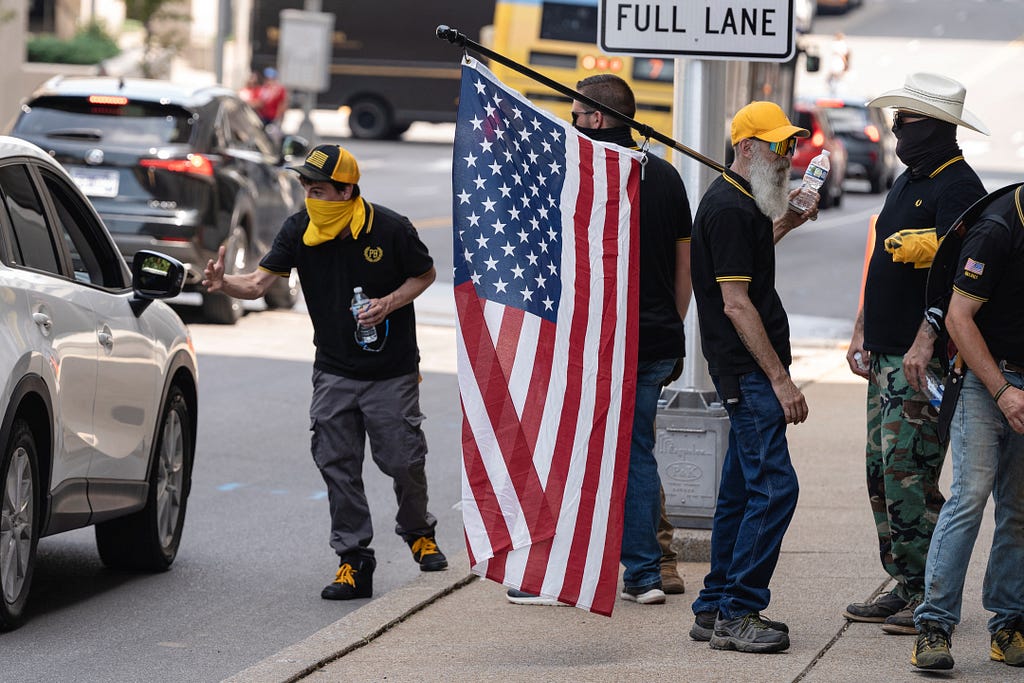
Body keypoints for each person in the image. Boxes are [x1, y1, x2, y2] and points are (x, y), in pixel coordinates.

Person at [202, 144, 448, 600]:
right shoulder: (299, 230)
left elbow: (426, 274)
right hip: (333, 371)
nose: (310, 197)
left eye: (319, 190)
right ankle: (354, 560)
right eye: (306, 189)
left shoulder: (390, 228)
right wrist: (223, 284)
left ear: (346, 190)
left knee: (402, 460)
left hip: (390, 372)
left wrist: (389, 303)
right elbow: (257, 283)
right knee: (337, 465)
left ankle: (418, 530)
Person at [506, 74, 692, 607]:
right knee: (635, 455)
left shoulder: (581, 174)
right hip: (656, 341)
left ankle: (558, 572)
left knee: (566, 449)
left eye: (575, 113)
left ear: (597, 118)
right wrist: (669, 329)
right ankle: (644, 574)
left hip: (593, 343)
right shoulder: (666, 177)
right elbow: (684, 269)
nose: (572, 122)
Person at [843, 73, 987, 636]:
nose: (897, 130)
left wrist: (928, 340)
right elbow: (881, 262)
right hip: (885, 354)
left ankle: (930, 593)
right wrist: (860, 330)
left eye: (906, 121)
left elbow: (964, 283)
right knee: (881, 472)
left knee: (911, 472)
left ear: (936, 126)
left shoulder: (959, 186)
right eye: (896, 121)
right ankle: (904, 582)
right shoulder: (908, 181)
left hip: (921, 359)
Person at [688, 101, 817, 654]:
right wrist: (781, 380)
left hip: (743, 371)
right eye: (777, 145)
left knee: (742, 490)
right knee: (775, 488)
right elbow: (737, 305)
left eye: (790, 145)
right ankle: (739, 610)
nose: (787, 156)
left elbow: (746, 264)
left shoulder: (739, 203)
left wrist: (787, 220)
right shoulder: (730, 209)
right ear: (746, 147)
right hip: (748, 373)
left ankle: (714, 605)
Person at [910, 184, 1024, 671]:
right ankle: (933, 626)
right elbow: (959, 318)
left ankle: (1009, 625)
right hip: (983, 379)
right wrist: (1004, 390)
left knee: (1019, 508)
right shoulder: (997, 230)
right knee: (970, 495)